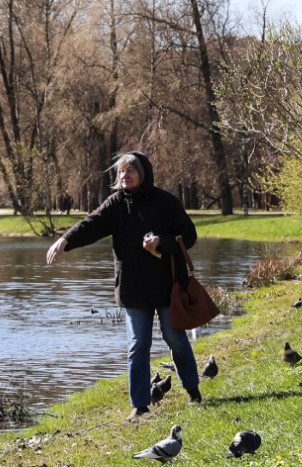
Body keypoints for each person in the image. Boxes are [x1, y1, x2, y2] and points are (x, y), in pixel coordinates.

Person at [45, 151, 202, 421]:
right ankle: (140, 405)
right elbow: (92, 224)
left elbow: (189, 235)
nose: (124, 175)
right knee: (138, 345)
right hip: (133, 287)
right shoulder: (116, 203)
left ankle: (193, 391)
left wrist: (161, 243)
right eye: (121, 171)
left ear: (144, 173)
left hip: (168, 286)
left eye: (130, 170)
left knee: (174, 338)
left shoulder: (166, 202)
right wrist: (66, 240)